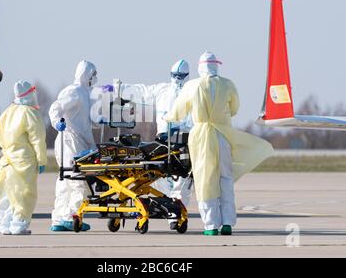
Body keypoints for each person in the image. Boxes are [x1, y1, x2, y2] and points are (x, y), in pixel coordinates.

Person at [164, 51, 273, 236]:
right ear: (216, 65)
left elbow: (177, 112)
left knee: (205, 180)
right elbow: (234, 108)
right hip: (223, 135)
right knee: (225, 178)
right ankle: (228, 223)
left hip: (201, 137)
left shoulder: (192, 85)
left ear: (200, 67)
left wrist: (168, 117)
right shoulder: (228, 84)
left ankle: (211, 225)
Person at [113, 59, 193, 229]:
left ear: (186, 76)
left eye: (180, 76)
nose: (177, 79)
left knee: (182, 181)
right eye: (174, 75)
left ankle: (174, 217)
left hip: (184, 142)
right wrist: (121, 89)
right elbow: (142, 91)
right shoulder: (163, 90)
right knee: (157, 176)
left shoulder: (192, 91)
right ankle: (166, 211)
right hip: (163, 141)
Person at [0, 81, 47, 235]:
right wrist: (42, 160)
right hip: (24, 161)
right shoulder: (31, 113)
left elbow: (0, 137)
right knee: (24, 193)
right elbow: (38, 139)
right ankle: (19, 224)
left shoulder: (7, 112)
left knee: (7, 192)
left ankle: (5, 223)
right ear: (29, 93)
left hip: (7, 160)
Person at [49, 60, 98, 232]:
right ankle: (72, 217)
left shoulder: (86, 94)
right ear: (86, 75)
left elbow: (86, 120)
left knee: (65, 180)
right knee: (76, 181)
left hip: (75, 142)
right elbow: (56, 107)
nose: (95, 79)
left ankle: (59, 218)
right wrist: (56, 122)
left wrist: (101, 120)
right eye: (93, 75)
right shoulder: (75, 91)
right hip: (70, 141)